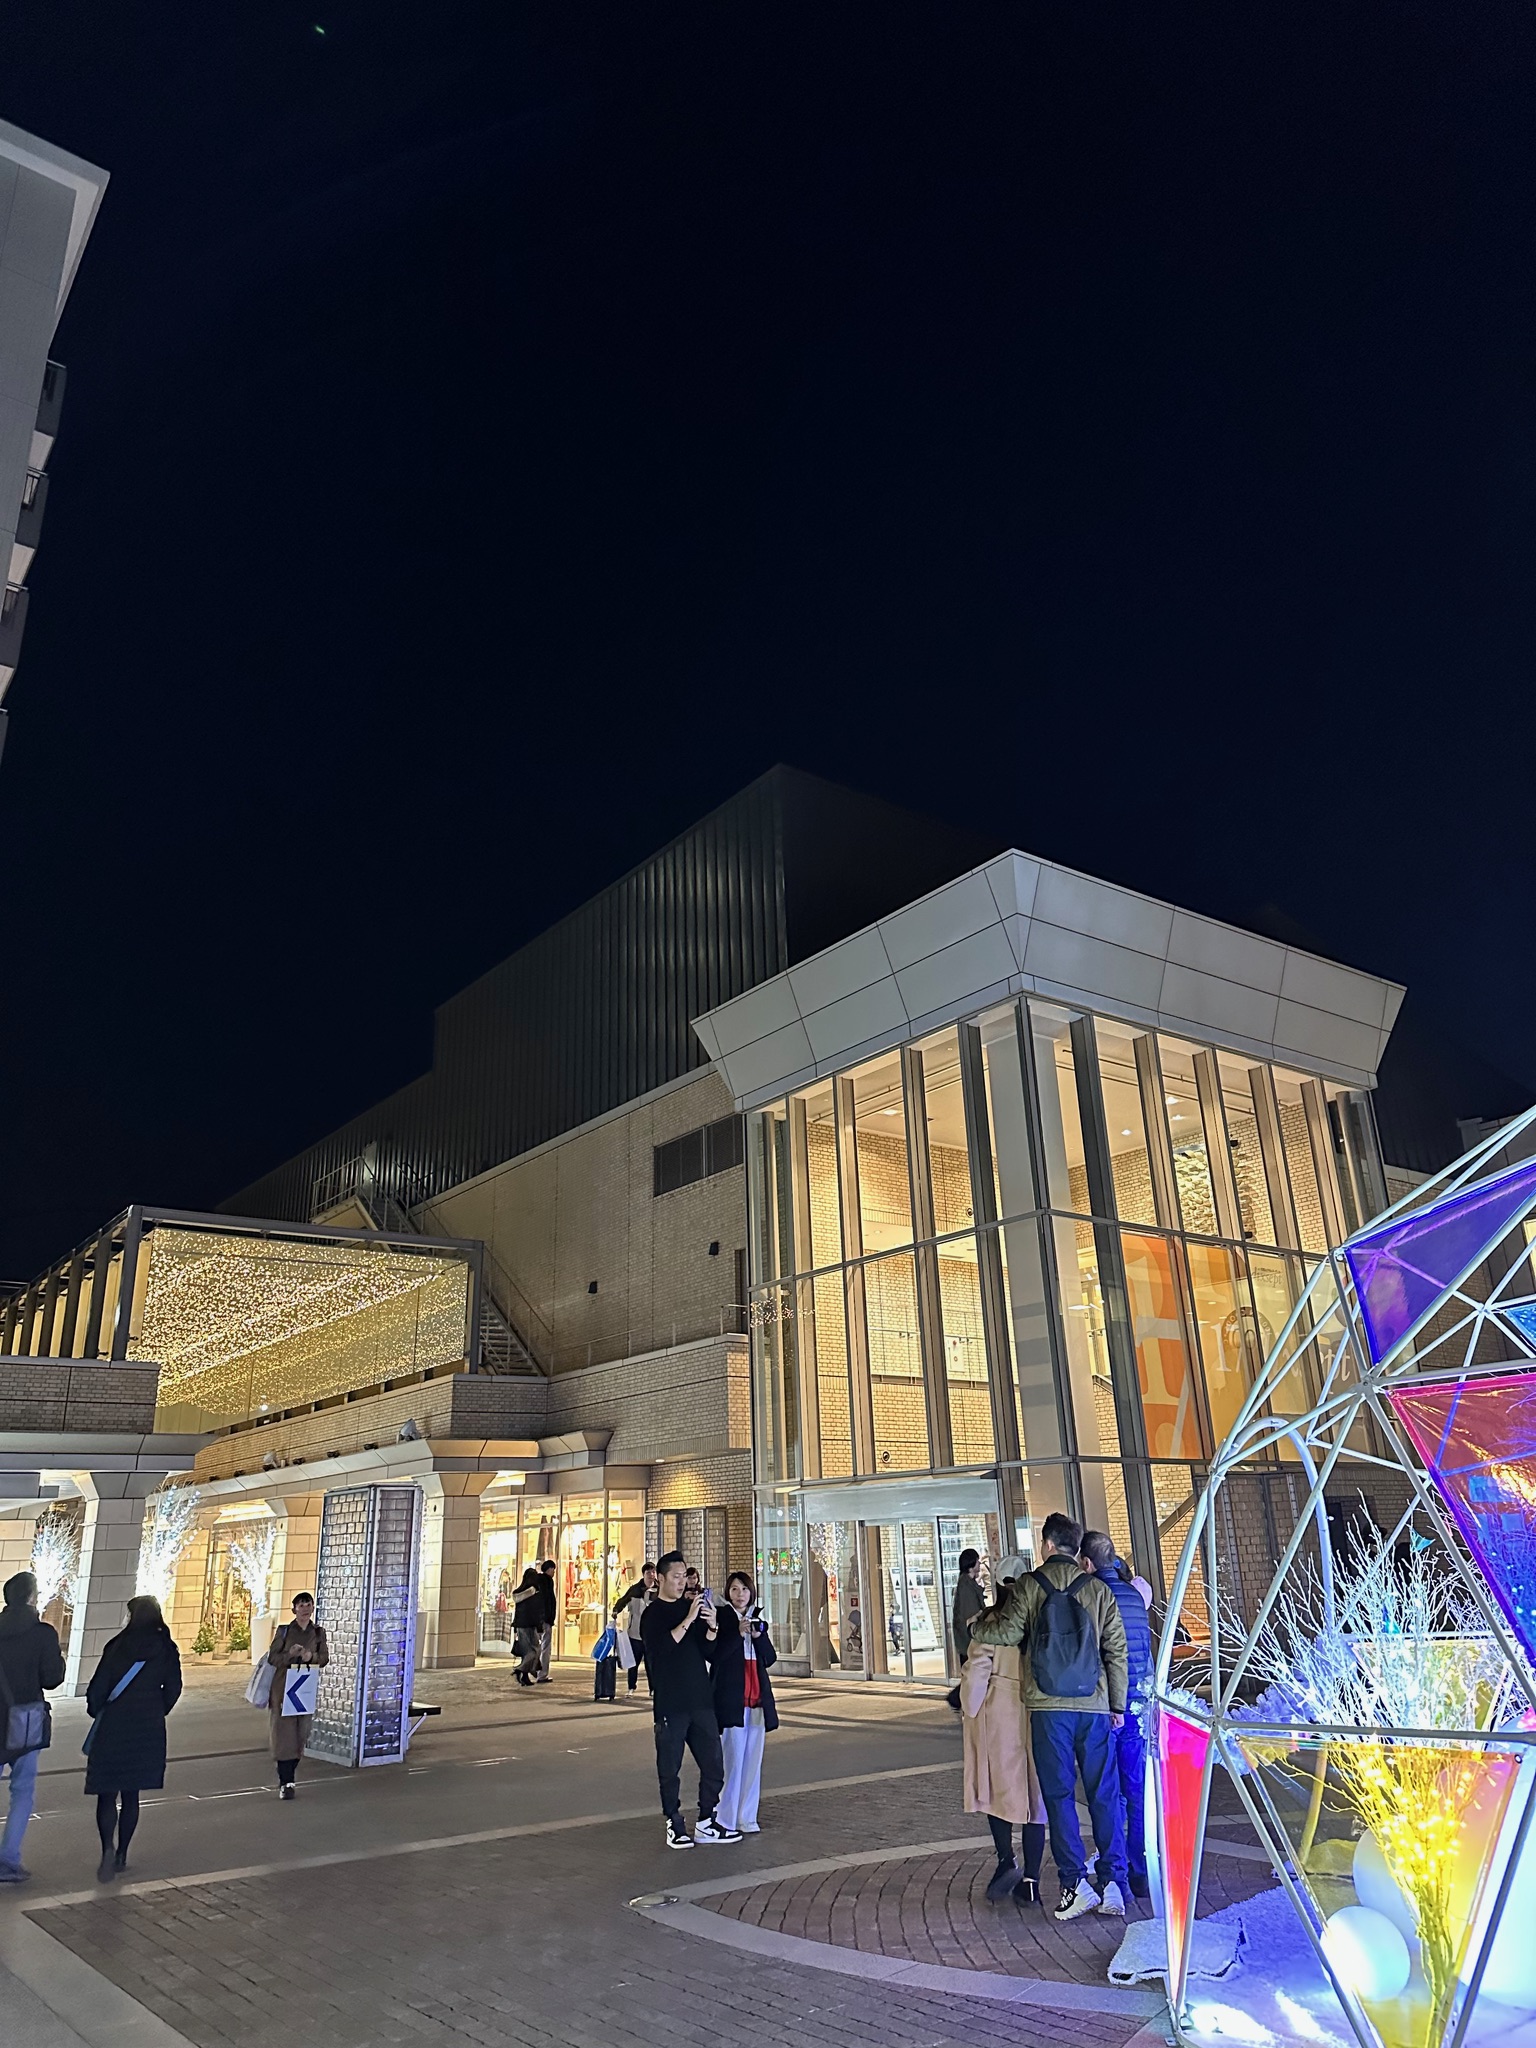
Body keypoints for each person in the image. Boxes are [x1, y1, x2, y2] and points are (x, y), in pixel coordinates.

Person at [969, 1510, 1129, 1923]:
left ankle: (1074, 1885)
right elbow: (1116, 1651)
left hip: (1047, 1707)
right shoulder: (1098, 1589)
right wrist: (1117, 1705)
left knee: (1058, 1798)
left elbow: (1007, 1633)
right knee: (1103, 1794)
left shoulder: (1030, 1584)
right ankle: (1113, 1882)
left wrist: (975, 1629)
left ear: (1047, 1544)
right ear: (1076, 1549)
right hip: (1093, 1706)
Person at [961, 1555, 1048, 1906]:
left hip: (1000, 1716)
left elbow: (976, 1675)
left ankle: (1005, 1860)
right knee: (1035, 1800)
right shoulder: (1041, 1616)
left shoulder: (991, 1623)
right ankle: (1031, 1880)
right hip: (1039, 1712)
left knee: (997, 1792)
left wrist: (968, 1708)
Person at [639, 1551, 740, 1850]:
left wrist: (712, 1627)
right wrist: (688, 1619)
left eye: (685, 1576)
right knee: (670, 1768)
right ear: (660, 1579)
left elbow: (708, 1652)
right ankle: (674, 1822)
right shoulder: (652, 1615)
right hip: (671, 1704)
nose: (682, 1582)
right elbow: (662, 1649)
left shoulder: (690, 1609)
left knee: (714, 1764)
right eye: (676, 1576)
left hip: (701, 1700)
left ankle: (707, 1820)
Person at [84, 1594, 182, 1882]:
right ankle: (122, 1854)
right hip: (146, 1729)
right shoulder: (166, 1648)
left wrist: (97, 1709)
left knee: (106, 1792)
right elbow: (174, 1688)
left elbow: (98, 1688)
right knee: (131, 1794)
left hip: (113, 1727)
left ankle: (106, 1847)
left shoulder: (117, 1646)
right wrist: (157, 1710)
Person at [1080, 1530, 1154, 1899]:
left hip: (1109, 1707)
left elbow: (1099, 1656)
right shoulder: (1135, 1597)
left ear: (1087, 1563)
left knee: (1108, 1791)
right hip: (1139, 1704)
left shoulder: (1093, 1596)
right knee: (1135, 1789)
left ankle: (1116, 1873)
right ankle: (1140, 1871)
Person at [0, 1570, 64, 1883]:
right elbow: (52, 1678)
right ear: (30, 1598)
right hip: (25, 1723)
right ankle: (8, 1860)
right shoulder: (43, 1634)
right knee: (22, 1791)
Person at [711, 1571, 778, 1835]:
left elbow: (769, 1658)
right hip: (732, 1700)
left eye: (745, 1589)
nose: (740, 1595)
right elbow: (716, 1656)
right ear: (728, 1593)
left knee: (752, 1761)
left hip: (757, 1700)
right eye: (735, 1589)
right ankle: (725, 1818)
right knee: (733, 1760)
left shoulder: (757, 1620)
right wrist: (737, 1634)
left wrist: (759, 1637)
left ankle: (747, 1817)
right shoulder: (721, 1618)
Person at [265, 1592, 329, 1798]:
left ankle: (290, 1774)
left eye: (308, 1605)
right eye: (301, 1605)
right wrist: (290, 1654)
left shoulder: (318, 1632)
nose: (305, 1609)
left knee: (302, 1733)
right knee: (284, 1737)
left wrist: (311, 1657)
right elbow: (272, 1658)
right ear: (294, 1609)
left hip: (304, 1689)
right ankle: (286, 1782)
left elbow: (324, 1658)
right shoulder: (284, 1631)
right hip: (284, 1688)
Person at [946, 1547, 987, 1711]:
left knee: (971, 1675)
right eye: (978, 1562)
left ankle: (959, 1699)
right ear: (971, 1564)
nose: (979, 1565)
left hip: (967, 1641)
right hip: (968, 1641)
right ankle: (956, 1698)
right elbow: (971, 1615)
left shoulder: (967, 1583)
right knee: (971, 1675)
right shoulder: (966, 1586)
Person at [613, 1562, 657, 1696]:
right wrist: (616, 1610)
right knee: (633, 1663)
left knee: (651, 1664)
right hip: (635, 1633)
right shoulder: (635, 1590)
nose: (651, 1575)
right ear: (643, 1575)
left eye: (653, 1572)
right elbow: (623, 1601)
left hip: (652, 1635)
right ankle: (631, 1687)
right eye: (648, 1573)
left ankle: (653, 1689)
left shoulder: (659, 1590)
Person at [510, 1567, 544, 1686]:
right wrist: (539, 1626)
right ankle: (520, 1670)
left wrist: (515, 1626)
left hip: (521, 1625)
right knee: (534, 1651)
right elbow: (537, 1611)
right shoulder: (534, 1592)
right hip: (530, 1625)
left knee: (527, 1652)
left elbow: (518, 1612)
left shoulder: (518, 1593)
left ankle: (525, 1676)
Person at [535, 1559, 557, 1681]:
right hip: (545, 1619)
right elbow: (548, 1601)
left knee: (536, 1646)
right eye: (553, 1569)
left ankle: (534, 1670)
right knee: (545, 1647)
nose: (554, 1572)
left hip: (536, 1619)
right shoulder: (548, 1582)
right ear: (550, 1569)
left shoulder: (537, 1581)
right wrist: (549, 1617)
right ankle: (542, 1674)